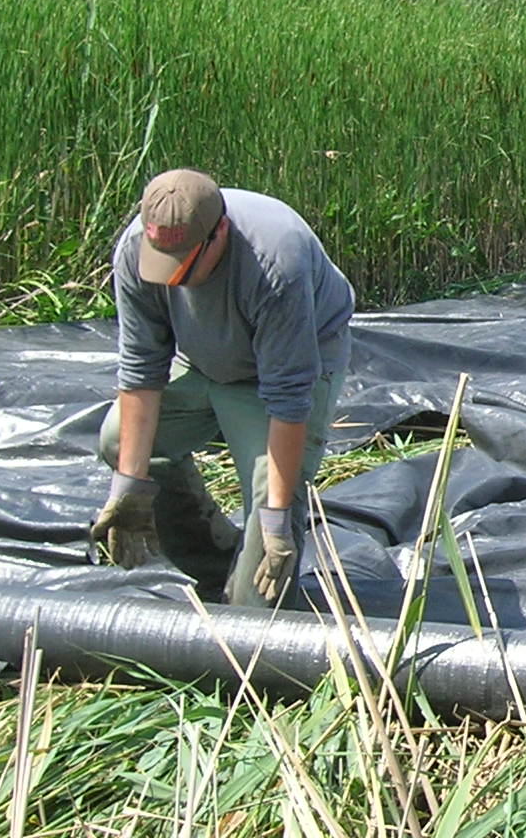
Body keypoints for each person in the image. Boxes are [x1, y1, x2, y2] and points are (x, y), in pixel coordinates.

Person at [88, 168, 356, 608]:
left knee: (256, 592)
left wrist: (274, 522)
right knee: (119, 442)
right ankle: (215, 560)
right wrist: (129, 488)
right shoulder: (138, 248)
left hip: (285, 371)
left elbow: (288, 399)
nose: (172, 279)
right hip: (199, 360)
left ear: (219, 234)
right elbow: (141, 369)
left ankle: (253, 577)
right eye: (163, 265)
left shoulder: (275, 264)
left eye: (184, 266)